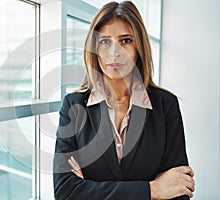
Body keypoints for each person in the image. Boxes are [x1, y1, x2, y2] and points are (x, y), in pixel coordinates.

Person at [53, 1, 195, 199]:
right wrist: (152, 190)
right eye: (104, 41)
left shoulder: (166, 105)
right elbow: (66, 192)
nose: (114, 52)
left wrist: (89, 188)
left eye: (126, 40)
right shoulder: (73, 106)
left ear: (140, 47)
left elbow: (179, 189)